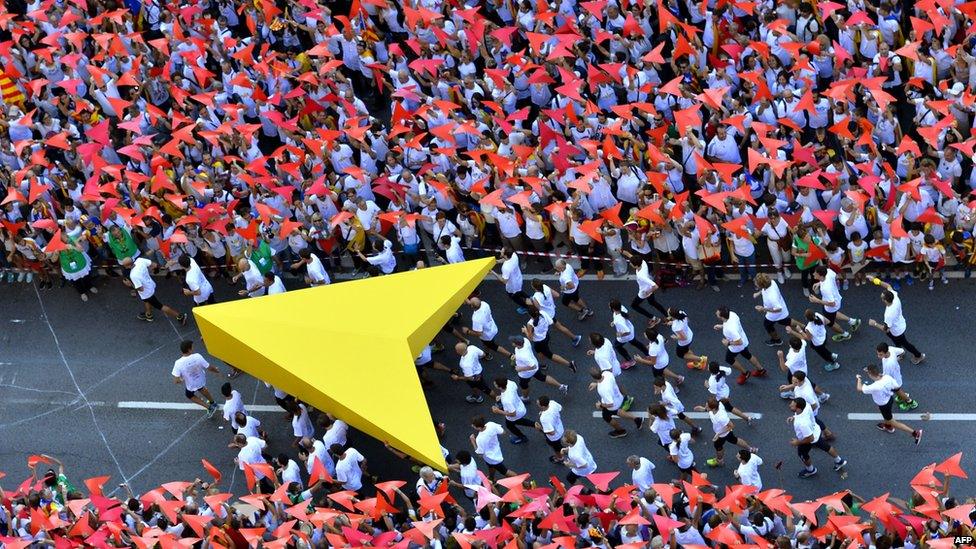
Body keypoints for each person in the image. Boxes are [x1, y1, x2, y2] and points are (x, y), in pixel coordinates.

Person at [856, 365, 923, 445]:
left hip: (884, 405)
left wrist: (858, 379)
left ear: (870, 374)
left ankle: (915, 433)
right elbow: (895, 386)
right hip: (890, 399)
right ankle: (888, 427)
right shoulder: (887, 377)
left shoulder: (874, 386)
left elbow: (859, 388)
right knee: (887, 417)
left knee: (892, 421)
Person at [866, 279, 926, 364]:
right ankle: (900, 352)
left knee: (905, 344)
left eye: (882, 298)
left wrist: (874, 323)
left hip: (896, 330)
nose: (881, 298)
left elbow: (886, 329)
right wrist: (875, 280)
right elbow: (888, 286)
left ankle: (918, 355)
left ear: (885, 301)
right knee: (897, 341)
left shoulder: (889, 314)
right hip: (899, 324)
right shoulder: (894, 295)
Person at [789, 398, 847, 479]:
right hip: (816, 430)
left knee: (802, 454)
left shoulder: (802, 424)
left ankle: (810, 470)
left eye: (792, 405)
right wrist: (794, 417)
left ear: (798, 408)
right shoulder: (806, 406)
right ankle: (839, 461)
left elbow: (810, 439)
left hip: (808, 439)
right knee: (826, 447)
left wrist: (797, 442)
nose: (790, 405)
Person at [694, 397, 758, 468]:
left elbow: (731, 426)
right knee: (734, 440)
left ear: (713, 409)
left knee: (718, 446)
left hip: (722, 435)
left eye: (707, 406)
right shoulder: (718, 405)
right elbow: (715, 405)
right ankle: (750, 449)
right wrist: (703, 409)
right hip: (725, 433)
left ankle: (719, 460)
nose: (705, 406)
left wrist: (718, 434)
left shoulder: (721, 417)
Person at [124, 256, 187, 324]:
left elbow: (141, 289)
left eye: (124, 265)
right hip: (151, 285)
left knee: (160, 306)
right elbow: (155, 265)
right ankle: (149, 314)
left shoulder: (133, 275)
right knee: (146, 300)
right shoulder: (140, 260)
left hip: (147, 293)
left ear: (128, 265)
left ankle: (180, 316)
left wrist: (130, 285)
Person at [714, 307, 767, 384]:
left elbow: (739, 342)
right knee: (747, 355)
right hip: (743, 339)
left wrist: (728, 343)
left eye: (717, 314)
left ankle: (745, 373)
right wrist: (722, 326)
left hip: (737, 346)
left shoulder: (730, 329)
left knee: (729, 359)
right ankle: (761, 369)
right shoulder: (732, 314)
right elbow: (730, 324)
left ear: (722, 317)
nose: (716, 313)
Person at [809, 266, 861, 342]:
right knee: (834, 313)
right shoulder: (828, 271)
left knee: (830, 323)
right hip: (836, 299)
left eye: (815, 273)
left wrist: (817, 300)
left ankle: (845, 334)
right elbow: (834, 276)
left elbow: (832, 304)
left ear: (821, 275)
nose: (813, 274)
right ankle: (853, 321)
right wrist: (820, 283)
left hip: (831, 306)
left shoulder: (826, 289)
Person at [589, 368, 643, 438]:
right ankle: (637, 419)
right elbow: (607, 383)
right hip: (619, 397)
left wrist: (600, 405)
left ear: (593, 377)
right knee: (617, 412)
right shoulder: (607, 374)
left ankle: (620, 431)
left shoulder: (602, 389)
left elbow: (610, 404)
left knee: (606, 417)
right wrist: (597, 384)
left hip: (613, 405)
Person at [171, 340, 220, 417]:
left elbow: (176, 380)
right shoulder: (197, 356)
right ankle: (213, 403)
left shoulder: (178, 363)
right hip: (201, 379)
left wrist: (182, 379)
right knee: (202, 389)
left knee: (189, 395)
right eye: (192, 347)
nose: (193, 348)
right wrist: (216, 370)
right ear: (189, 349)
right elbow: (209, 367)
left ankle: (209, 407)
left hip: (191, 384)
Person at [523, 306, 579, 371]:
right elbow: (551, 322)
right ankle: (543, 365)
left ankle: (570, 364)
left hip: (539, 342)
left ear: (530, 315)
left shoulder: (530, 324)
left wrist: (525, 331)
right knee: (539, 352)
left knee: (550, 355)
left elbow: (530, 338)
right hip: (546, 336)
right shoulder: (543, 313)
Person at [490, 377, 537, 444]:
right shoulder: (510, 383)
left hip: (516, 413)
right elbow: (514, 389)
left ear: (500, 387)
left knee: (509, 425)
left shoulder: (507, 400)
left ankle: (522, 437)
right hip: (520, 406)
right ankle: (534, 424)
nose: (494, 384)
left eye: (495, 384)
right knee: (517, 421)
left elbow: (513, 413)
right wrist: (501, 396)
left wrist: (498, 411)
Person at [470, 415, 516, 481]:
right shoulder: (490, 424)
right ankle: (491, 479)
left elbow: (480, 455)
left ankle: (526, 483)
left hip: (492, 458)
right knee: (490, 466)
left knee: (505, 472)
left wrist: (473, 441)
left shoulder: (479, 439)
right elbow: (503, 432)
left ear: (479, 428)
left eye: (473, 426)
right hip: (496, 453)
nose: (472, 426)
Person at [752, 273, 792, 346]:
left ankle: (777, 340)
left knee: (767, 325)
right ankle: (803, 327)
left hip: (775, 313)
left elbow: (778, 309)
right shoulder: (771, 282)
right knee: (785, 321)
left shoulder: (771, 296)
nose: (755, 284)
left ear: (762, 285)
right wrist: (758, 293)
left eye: (757, 284)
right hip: (781, 307)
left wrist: (763, 309)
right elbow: (764, 290)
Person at [876, 343, 919, 411]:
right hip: (897, 376)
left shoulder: (889, 364)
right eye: (878, 354)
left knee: (898, 391)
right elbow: (902, 351)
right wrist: (898, 358)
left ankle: (910, 402)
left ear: (886, 352)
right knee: (898, 391)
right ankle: (902, 397)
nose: (878, 356)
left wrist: (879, 377)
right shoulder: (890, 349)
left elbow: (886, 377)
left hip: (893, 381)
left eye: (880, 354)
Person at [495, 247, 529, 314]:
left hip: (512, 286)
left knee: (515, 298)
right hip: (518, 279)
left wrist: (493, 273)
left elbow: (504, 281)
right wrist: (498, 261)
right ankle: (530, 299)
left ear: (505, 255)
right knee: (520, 291)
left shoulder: (506, 267)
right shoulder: (513, 255)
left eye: (502, 251)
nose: (500, 251)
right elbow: (506, 259)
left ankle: (526, 307)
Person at [535, 396, 566, 463]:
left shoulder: (544, 418)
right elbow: (560, 408)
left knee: (556, 448)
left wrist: (540, 428)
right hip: (560, 428)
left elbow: (552, 432)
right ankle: (564, 450)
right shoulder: (552, 403)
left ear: (543, 406)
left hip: (554, 437)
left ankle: (560, 458)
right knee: (560, 444)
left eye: (538, 404)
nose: (537, 405)